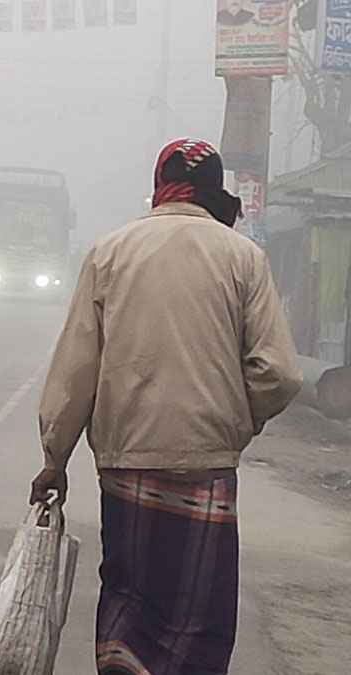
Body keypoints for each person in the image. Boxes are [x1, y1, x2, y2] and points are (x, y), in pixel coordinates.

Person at [30, 139, 301, 675]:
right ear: (215, 192)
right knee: (197, 623)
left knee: (130, 611)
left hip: (126, 466)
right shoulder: (242, 257)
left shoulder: (111, 252)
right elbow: (279, 372)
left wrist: (54, 457)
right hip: (206, 468)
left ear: (159, 186)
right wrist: (233, 419)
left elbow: (75, 371)